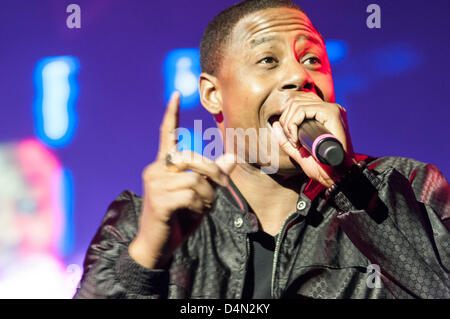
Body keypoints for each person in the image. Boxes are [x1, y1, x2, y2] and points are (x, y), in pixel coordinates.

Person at [74, 0, 450, 299]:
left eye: (313, 60)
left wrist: (351, 185)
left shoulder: (410, 189)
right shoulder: (142, 221)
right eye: (268, 60)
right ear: (212, 94)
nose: (299, 76)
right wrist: (146, 260)